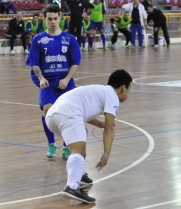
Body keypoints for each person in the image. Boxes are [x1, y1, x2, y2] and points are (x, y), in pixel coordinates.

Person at [45, 69, 132, 203]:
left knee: (80, 138)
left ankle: (78, 174)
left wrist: (99, 124)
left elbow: (83, 111)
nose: (128, 93)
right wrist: (106, 153)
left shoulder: (99, 90)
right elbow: (110, 128)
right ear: (123, 88)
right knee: (78, 150)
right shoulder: (112, 96)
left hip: (52, 117)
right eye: (129, 89)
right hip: (68, 113)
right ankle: (72, 186)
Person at [26, 4, 81, 160]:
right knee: (47, 110)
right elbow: (34, 63)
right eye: (49, 19)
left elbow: (75, 63)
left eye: (55, 18)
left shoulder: (69, 39)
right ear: (44, 20)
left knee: (67, 114)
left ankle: (66, 146)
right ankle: (51, 143)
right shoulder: (38, 40)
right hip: (48, 83)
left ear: (60, 18)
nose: (52, 22)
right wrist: (41, 78)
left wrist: (67, 79)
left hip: (66, 82)